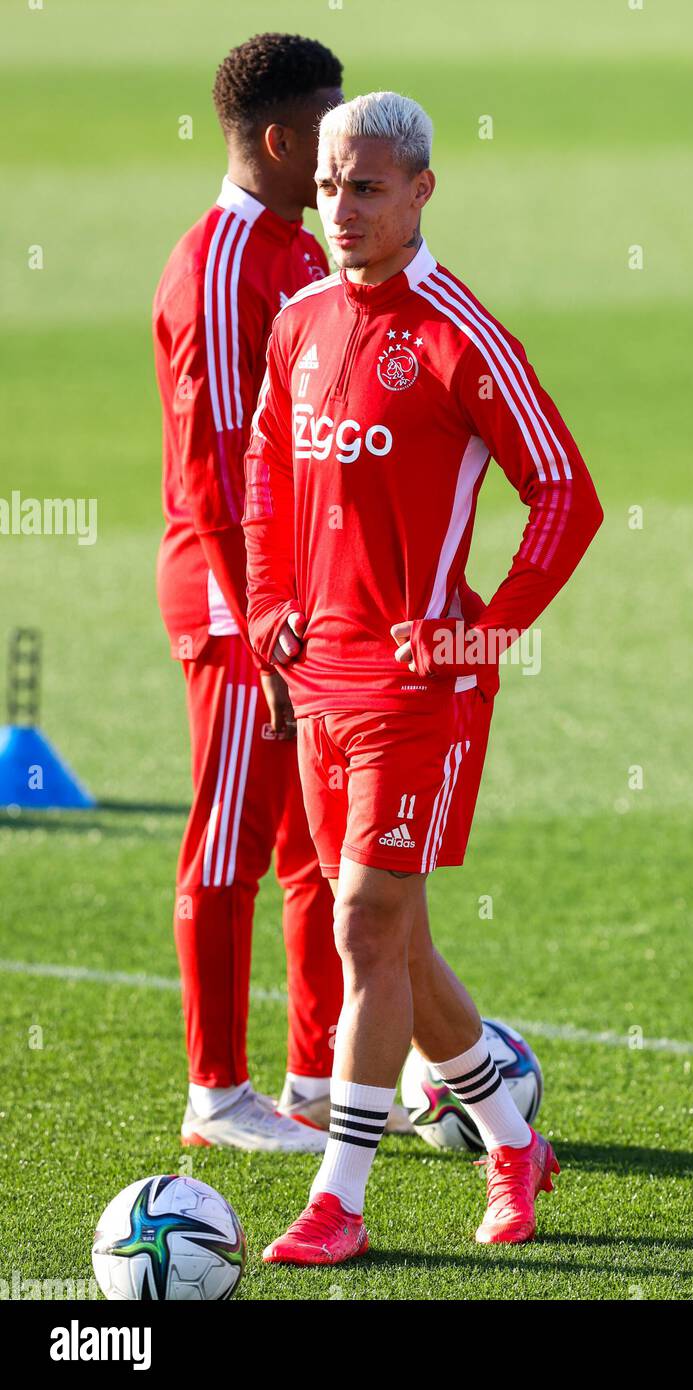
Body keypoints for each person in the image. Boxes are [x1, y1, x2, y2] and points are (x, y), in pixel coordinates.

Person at [244, 91, 602, 1264]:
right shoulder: (298, 321)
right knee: (390, 939)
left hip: (420, 686)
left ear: (421, 193)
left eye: (367, 187)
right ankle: (509, 1140)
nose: (339, 208)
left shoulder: (458, 331)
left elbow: (564, 490)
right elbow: (264, 474)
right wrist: (266, 603)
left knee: (363, 919)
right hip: (320, 680)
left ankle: (339, 1198)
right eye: (330, 185)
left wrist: (486, 629)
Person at [154, 33, 382, 1149]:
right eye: (330, 132)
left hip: (302, 607)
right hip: (236, 608)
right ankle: (215, 1094)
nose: (345, 156)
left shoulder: (296, 249)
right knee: (228, 839)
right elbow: (213, 475)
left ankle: (310, 1075)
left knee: (312, 848)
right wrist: (263, 633)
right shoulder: (217, 266)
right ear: (283, 139)